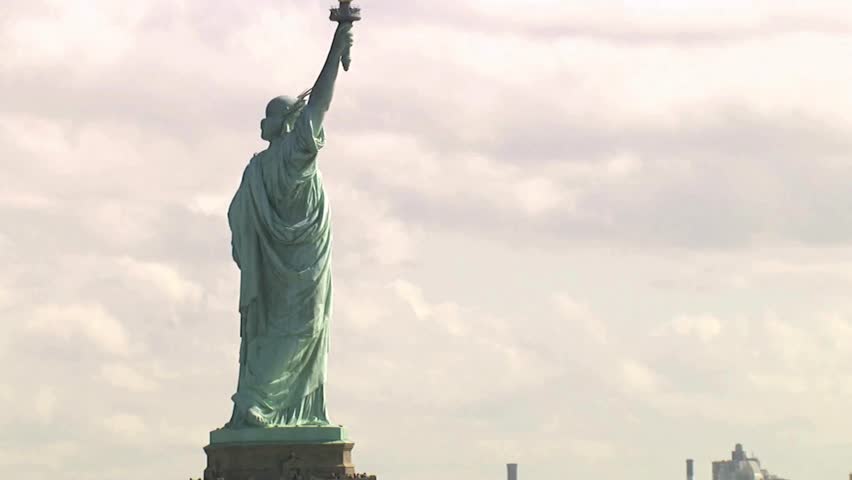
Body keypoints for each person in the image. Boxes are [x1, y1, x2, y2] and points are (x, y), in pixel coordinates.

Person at [225, 22, 354, 428]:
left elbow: (236, 221)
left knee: (278, 332)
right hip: (299, 264)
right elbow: (322, 102)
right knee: (297, 330)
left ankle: (265, 404)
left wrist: (339, 41)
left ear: (279, 122)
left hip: (278, 265)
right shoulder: (284, 159)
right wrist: (340, 42)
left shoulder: (266, 165)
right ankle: (263, 405)